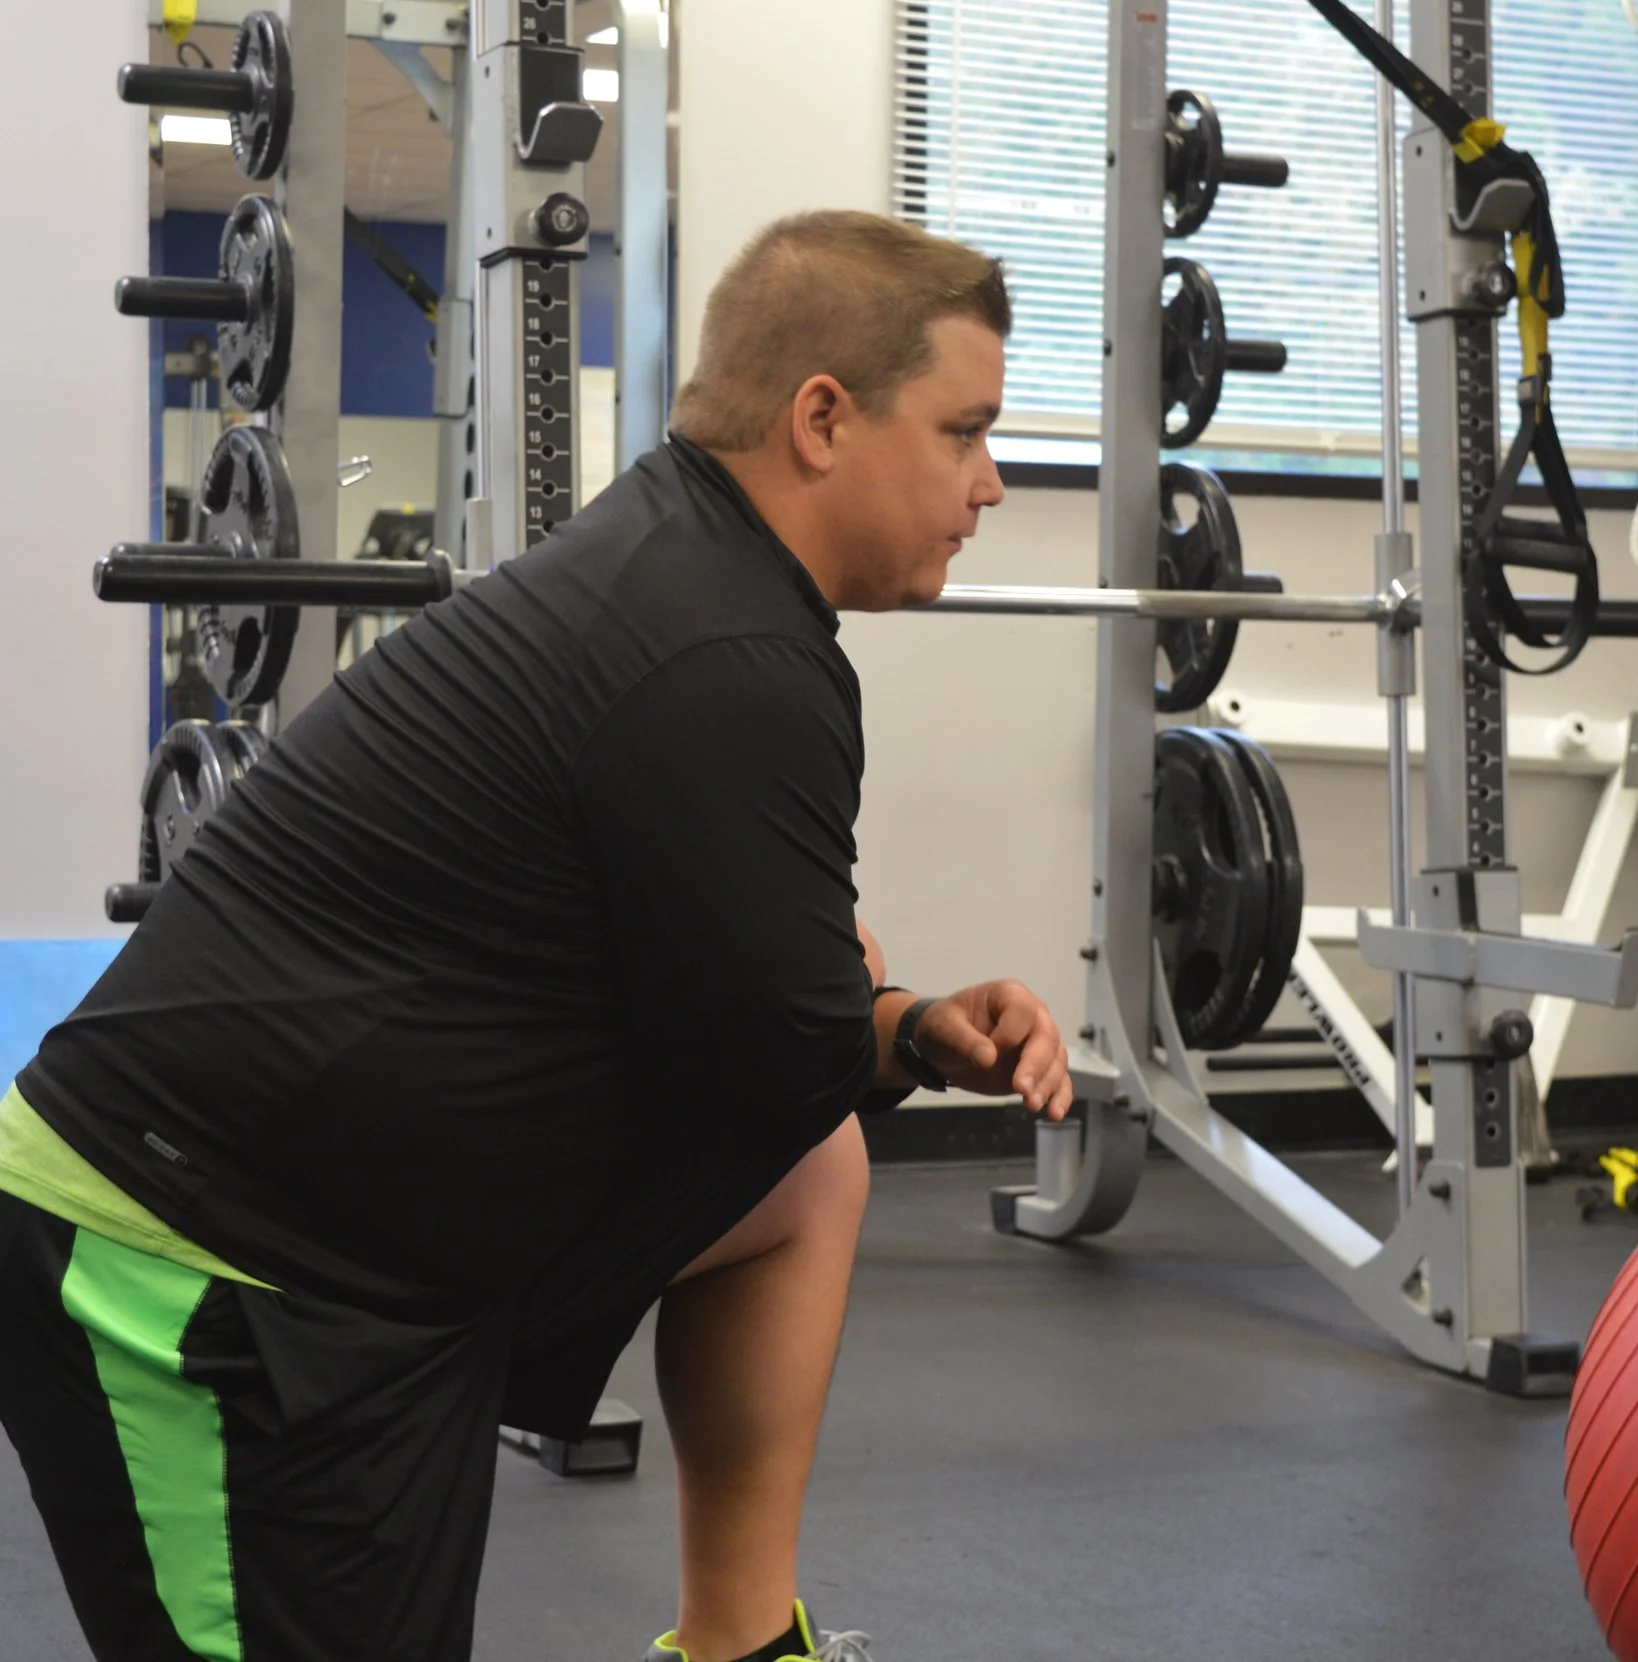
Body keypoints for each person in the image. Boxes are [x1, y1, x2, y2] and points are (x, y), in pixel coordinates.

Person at [0, 209, 1071, 1662]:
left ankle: (739, 1643)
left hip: (365, 1247)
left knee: (807, 1171)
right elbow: (775, 1043)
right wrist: (888, 1028)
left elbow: (774, 1021)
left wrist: (898, 1022)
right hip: (189, 1267)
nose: (988, 483)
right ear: (825, 418)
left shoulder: (686, 570)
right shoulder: (726, 648)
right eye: (964, 432)